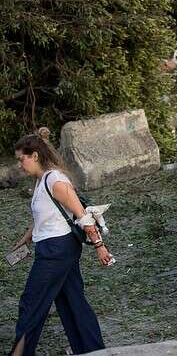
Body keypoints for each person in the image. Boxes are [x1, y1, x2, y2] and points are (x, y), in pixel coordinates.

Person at [10, 128, 111, 356]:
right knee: (71, 301)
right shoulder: (42, 180)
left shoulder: (55, 179)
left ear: (35, 155)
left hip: (57, 250)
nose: (19, 164)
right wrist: (28, 236)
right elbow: (46, 214)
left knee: (31, 302)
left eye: (21, 159)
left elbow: (81, 214)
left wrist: (99, 246)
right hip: (53, 247)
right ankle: (92, 350)